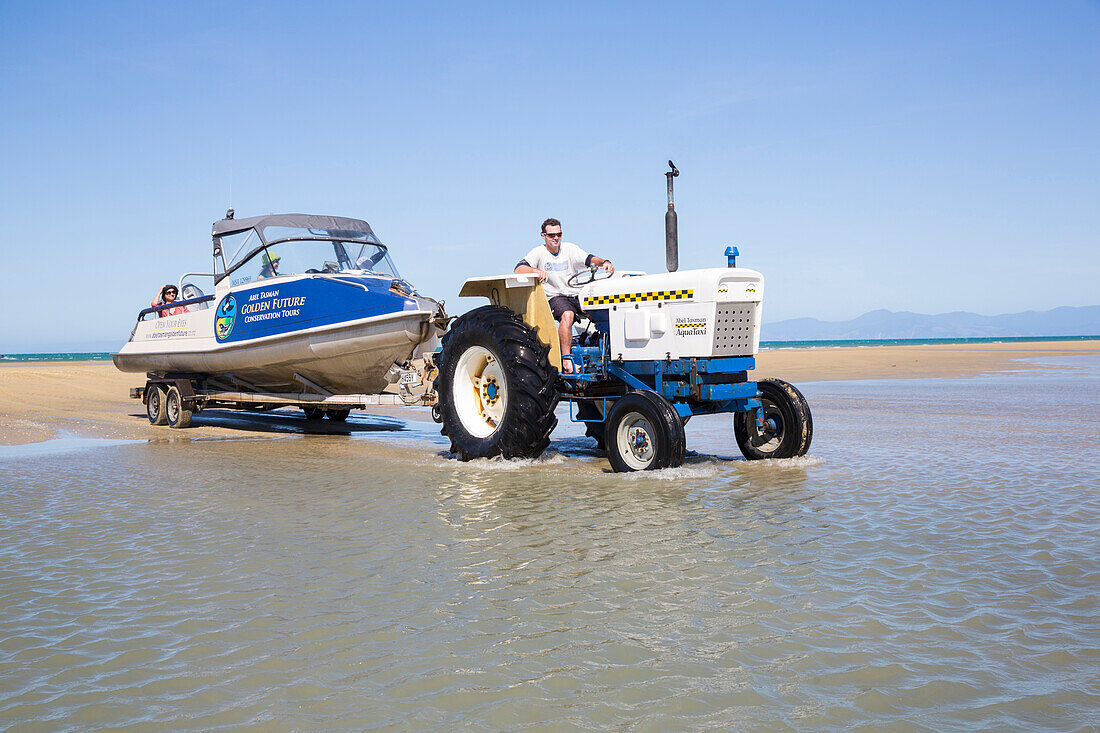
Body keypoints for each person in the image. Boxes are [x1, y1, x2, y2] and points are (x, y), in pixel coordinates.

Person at [514, 218, 614, 373]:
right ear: (543, 236)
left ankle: (609, 352)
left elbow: (589, 259)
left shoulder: (570, 249)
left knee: (603, 307)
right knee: (568, 315)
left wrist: (604, 262)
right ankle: (566, 360)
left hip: (574, 293)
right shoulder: (539, 253)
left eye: (559, 234)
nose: (556, 238)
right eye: (552, 235)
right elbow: (519, 269)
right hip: (555, 296)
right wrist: (536, 271)